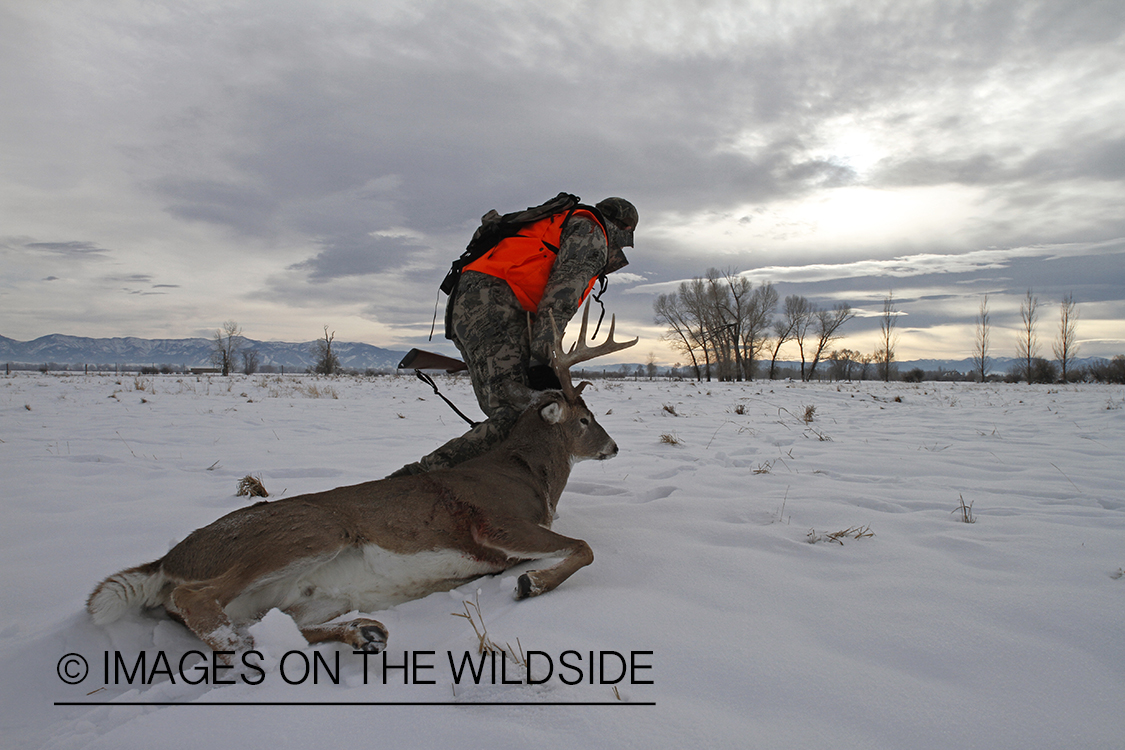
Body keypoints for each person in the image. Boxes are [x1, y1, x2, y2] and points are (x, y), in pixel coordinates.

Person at [389, 196, 638, 476]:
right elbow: (561, 298)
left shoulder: (566, 222)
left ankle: (483, 487)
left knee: (513, 413)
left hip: (479, 303)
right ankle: (415, 481)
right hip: (493, 303)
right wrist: (541, 361)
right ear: (623, 229)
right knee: (522, 414)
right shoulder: (591, 233)